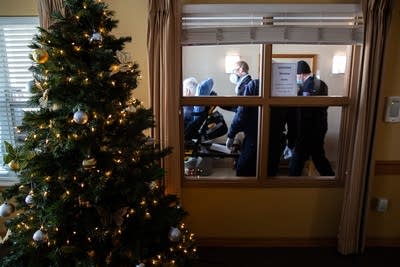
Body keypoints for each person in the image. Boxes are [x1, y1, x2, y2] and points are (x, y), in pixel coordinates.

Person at [289, 60, 334, 176]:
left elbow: (305, 111)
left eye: (296, 75)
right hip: (318, 128)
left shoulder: (308, 86)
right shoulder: (321, 83)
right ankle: (331, 178)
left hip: (308, 130)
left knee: (298, 161)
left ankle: (291, 185)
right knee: (318, 157)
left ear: (300, 74)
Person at [226, 79, 259, 176]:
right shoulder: (283, 87)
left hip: (254, 138)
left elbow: (241, 114)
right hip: (275, 140)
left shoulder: (254, 84)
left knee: (243, 170)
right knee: (268, 175)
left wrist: (231, 135)